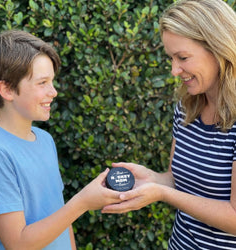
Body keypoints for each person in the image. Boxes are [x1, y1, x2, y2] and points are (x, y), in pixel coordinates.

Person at [102, 0, 236, 249]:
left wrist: (162, 194)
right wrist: (152, 180)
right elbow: (179, 179)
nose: (175, 70)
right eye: (171, 58)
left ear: (219, 48)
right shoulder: (186, 109)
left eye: (183, 57)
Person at [0, 30, 122, 250]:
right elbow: (18, 243)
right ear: (7, 89)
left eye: (52, 81)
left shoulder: (45, 140)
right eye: (42, 83)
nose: (54, 91)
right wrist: (83, 202)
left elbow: (59, 215)